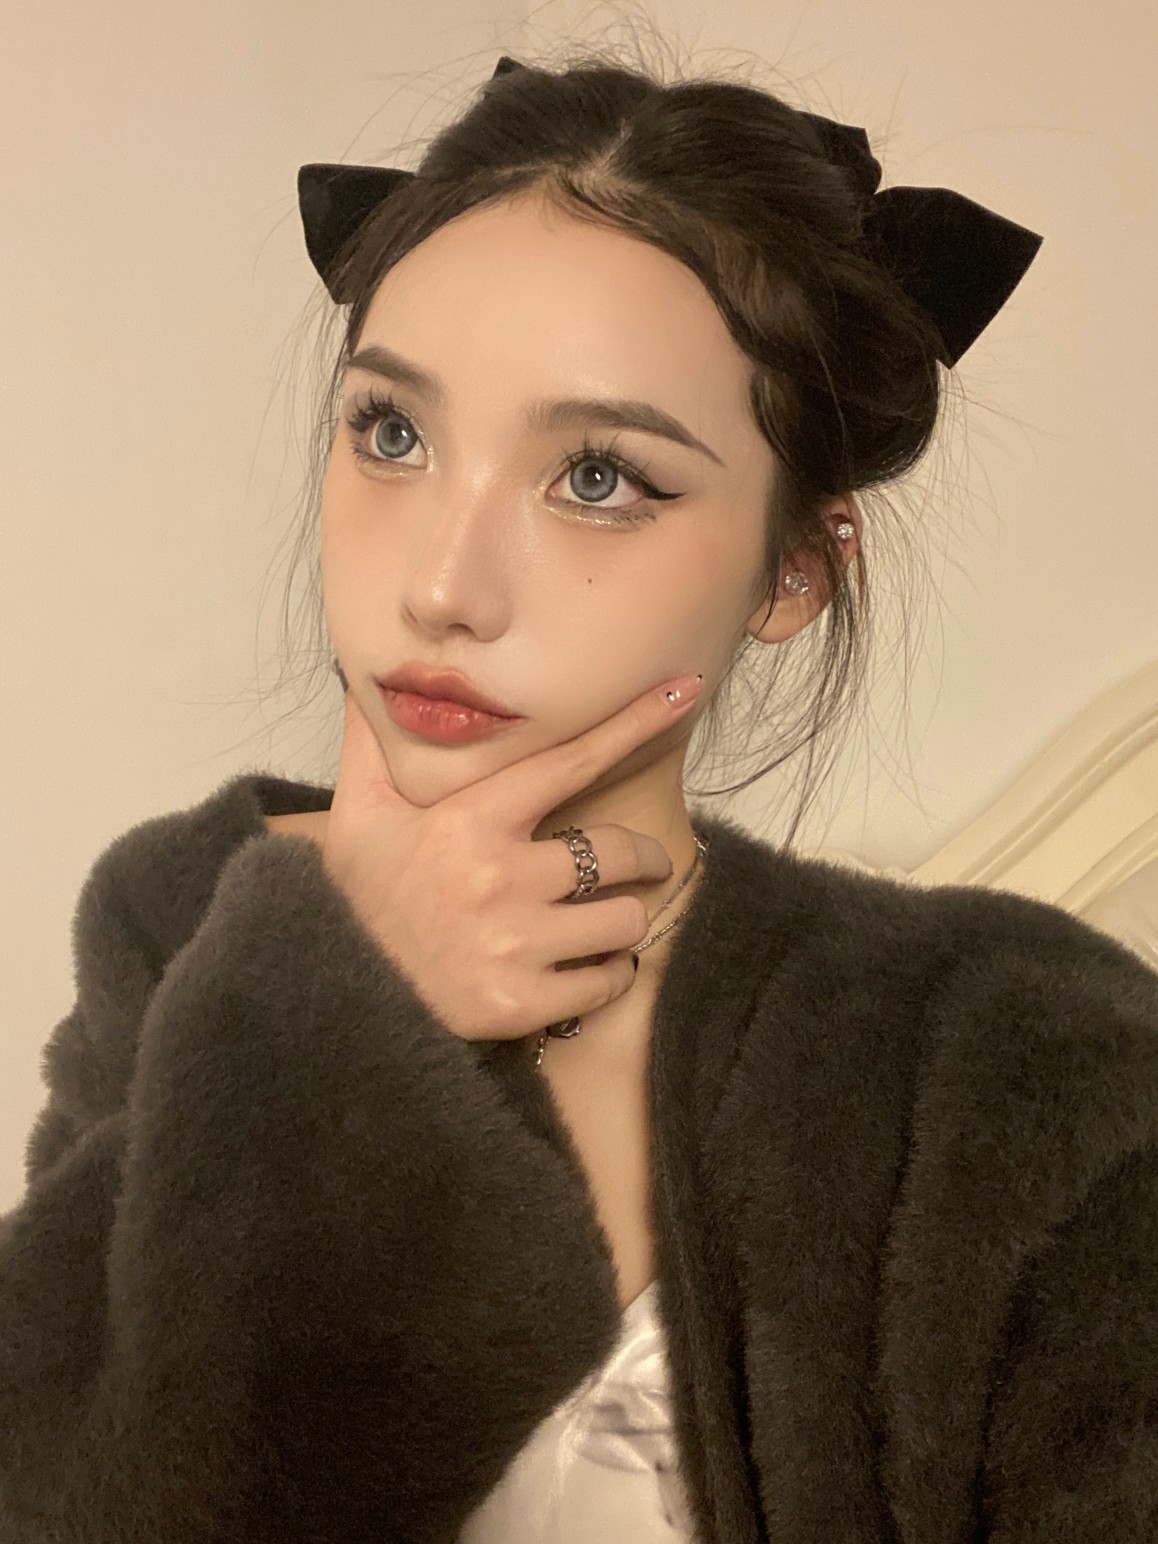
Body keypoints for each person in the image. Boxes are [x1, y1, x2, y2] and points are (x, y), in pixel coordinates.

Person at [3, 45, 1157, 1544]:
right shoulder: (194, 923)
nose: (440, 586)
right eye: (392, 433)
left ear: (791, 572)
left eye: (600, 477)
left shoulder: (1018, 1055)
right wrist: (341, 1012)